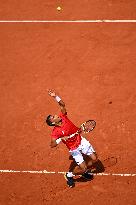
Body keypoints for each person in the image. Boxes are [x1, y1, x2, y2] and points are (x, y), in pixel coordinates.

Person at [46, 89, 98, 188]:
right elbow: (52, 145)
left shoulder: (63, 116)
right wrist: (61, 139)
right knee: (82, 168)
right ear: (53, 122)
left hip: (81, 141)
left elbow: (62, 105)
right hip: (73, 148)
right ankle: (69, 175)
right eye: (54, 117)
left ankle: (84, 170)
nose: (56, 115)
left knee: (95, 159)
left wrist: (55, 96)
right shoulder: (55, 132)